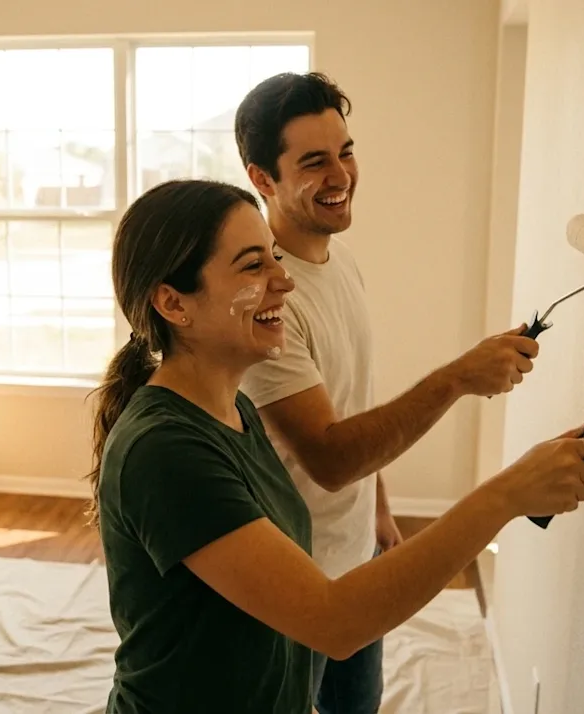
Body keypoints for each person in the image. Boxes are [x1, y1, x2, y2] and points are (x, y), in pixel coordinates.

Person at [88, 178, 584, 714]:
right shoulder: (164, 452)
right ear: (174, 303)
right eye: (252, 265)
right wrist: (506, 495)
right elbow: (334, 622)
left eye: (274, 257)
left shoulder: (235, 411)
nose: (284, 281)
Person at [232, 72, 540, 712]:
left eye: (345, 151)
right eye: (314, 162)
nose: (341, 174)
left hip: (357, 559)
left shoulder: (340, 261)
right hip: (298, 583)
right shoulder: (267, 302)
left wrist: (377, 509)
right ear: (263, 179)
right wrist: (457, 378)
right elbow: (330, 454)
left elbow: (351, 402)